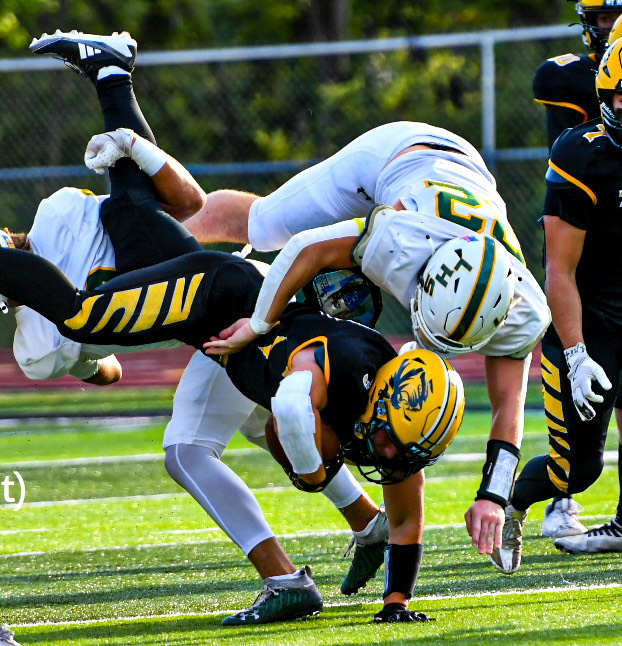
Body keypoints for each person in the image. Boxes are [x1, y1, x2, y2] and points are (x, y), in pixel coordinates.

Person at [19, 30, 390, 625]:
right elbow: (105, 361)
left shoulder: (68, 230)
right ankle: (369, 523)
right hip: (225, 317)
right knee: (256, 422)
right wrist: (135, 144)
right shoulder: (57, 268)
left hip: (227, 303)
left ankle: (286, 579)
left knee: (187, 448)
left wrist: (135, 150)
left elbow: (177, 209)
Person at [0, 200, 465, 625]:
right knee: (88, 323)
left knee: (226, 438)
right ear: (384, 396)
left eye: (399, 448)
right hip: (217, 299)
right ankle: (290, 577)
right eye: (389, 441)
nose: (386, 452)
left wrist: (397, 603)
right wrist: (311, 472)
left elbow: (408, 511)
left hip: (239, 340)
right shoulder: (340, 369)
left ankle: (359, 527)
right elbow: (290, 406)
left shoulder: (398, 421)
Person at [146, 120, 550, 557]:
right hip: (393, 156)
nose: (433, 345)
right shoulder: (402, 240)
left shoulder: (523, 313)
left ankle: (380, 528)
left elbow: (509, 409)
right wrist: (259, 323)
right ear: (426, 285)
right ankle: (141, 240)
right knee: (262, 224)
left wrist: (493, 496)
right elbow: (308, 248)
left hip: (456, 185)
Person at [490, 37, 622, 575]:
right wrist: (576, 353)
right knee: (576, 470)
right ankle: (513, 505)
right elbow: (560, 271)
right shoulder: (582, 154)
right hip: (587, 325)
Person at [532, 0, 622, 541]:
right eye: (600, 14)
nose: (607, 24)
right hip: (585, 220)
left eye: (617, 13)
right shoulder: (570, 78)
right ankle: (560, 495)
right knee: (583, 381)